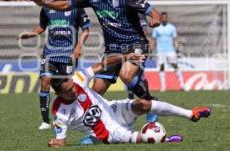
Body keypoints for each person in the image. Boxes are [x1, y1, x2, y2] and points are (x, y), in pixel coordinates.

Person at [31, 0, 161, 123]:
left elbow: (153, 12)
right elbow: (66, 5)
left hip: (135, 43)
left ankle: (150, 101)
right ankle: (96, 132)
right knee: (96, 92)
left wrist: (154, 20)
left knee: (125, 74)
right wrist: (45, 3)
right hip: (112, 48)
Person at [47, 52, 211, 148]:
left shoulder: (77, 79)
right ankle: (165, 138)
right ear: (59, 94)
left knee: (144, 103)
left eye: (73, 87)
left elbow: (101, 64)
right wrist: (55, 142)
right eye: (69, 92)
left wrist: (124, 57)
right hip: (108, 133)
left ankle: (191, 114)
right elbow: (61, 141)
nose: (74, 90)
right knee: (142, 138)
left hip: (114, 110)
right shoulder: (59, 112)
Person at [17, 0, 91, 130]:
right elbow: (42, 27)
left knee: (67, 90)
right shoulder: (47, 8)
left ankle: (75, 114)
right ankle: (45, 121)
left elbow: (86, 30)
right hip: (50, 53)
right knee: (45, 81)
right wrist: (31, 33)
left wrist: (79, 47)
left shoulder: (76, 7)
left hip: (68, 55)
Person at [151, 12, 184, 91]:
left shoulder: (172, 28)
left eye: (165, 17)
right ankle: (163, 87)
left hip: (170, 50)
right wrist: (151, 50)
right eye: (162, 18)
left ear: (167, 18)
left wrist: (177, 49)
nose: (164, 19)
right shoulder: (156, 28)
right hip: (160, 51)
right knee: (161, 67)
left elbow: (174, 40)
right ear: (160, 19)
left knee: (175, 66)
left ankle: (182, 85)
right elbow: (154, 41)